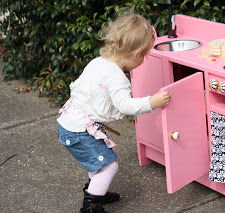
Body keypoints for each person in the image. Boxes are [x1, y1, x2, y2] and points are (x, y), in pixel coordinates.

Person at [57, 13, 171, 213]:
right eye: (144, 56)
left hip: (69, 123)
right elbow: (125, 106)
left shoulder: (97, 62)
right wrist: (152, 102)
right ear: (136, 54)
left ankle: (96, 190)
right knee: (110, 165)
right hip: (79, 131)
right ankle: (91, 206)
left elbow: (89, 93)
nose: (143, 60)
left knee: (99, 161)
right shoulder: (117, 78)